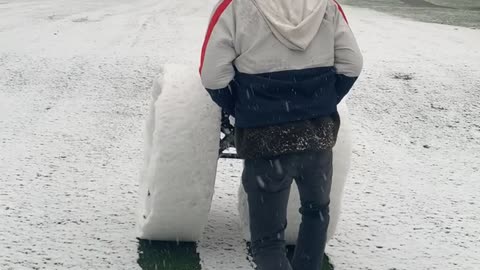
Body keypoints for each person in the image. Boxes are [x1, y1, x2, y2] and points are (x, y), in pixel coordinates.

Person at [199, 0, 362, 269]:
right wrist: (323, 100)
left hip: (264, 139)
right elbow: (352, 64)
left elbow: (212, 76)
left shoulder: (234, 7)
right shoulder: (326, 6)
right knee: (316, 212)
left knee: (267, 240)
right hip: (317, 134)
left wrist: (241, 108)